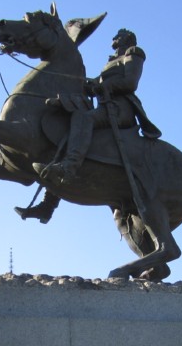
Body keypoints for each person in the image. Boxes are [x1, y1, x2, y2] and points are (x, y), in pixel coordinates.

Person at [14, 28, 161, 223]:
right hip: (105, 106)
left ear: (128, 39)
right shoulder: (111, 61)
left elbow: (130, 82)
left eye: (119, 35)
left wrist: (103, 86)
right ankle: (47, 206)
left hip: (120, 109)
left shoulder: (134, 53)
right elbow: (102, 84)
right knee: (66, 131)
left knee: (84, 119)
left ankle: (70, 166)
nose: (114, 37)